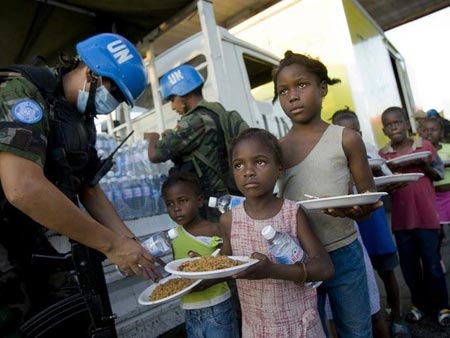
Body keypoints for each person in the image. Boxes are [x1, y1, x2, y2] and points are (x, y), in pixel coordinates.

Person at [0, 33, 162, 337]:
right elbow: (22, 187)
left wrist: (130, 243)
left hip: (21, 233)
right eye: (113, 94)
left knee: (73, 313)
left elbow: (89, 188)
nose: (112, 105)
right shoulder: (22, 93)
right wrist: (112, 245)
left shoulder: (81, 120)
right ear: (92, 73)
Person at [273, 51, 382, 338]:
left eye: (301, 85)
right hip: (298, 257)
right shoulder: (276, 150)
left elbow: (369, 195)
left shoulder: (346, 138)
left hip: (344, 249)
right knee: (311, 329)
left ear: (322, 88)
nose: (293, 96)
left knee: (357, 329)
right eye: (283, 91)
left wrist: (359, 210)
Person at [217, 127, 334, 337]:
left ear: (279, 168)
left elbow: (324, 268)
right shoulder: (229, 220)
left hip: (300, 326)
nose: (248, 171)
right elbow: (223, 268)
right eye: (239, 165)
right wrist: (197, 269)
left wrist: (272, 270)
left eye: (259, 162)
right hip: (257, 329)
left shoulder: (292, 212)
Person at [331, 107, 410, 338]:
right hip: (351, 232)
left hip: (375, 229)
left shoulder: (372, 158)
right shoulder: (334, 165)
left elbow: (389, 180)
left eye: (355, 131)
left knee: (387, 273)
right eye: (344, 132)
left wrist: (384, 186)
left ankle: (397, 318)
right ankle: (371, 320)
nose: (351, 137)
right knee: (361, 281)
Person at [145, 64, 249, 222]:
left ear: (182, 93)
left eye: (173, 99)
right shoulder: (215, 111)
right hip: (231, 194)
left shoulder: (195, 120)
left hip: (212, 204)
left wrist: (152, 137)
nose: (173, 106)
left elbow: (155, 154)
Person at [378, 106, 450, 327]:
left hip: (427, 219)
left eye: (397, 122)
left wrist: (424, 166)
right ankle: (419, 305)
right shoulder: (384, 155)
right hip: (401, 222)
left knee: (432, 266)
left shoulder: (424, 147)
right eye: (389, 125)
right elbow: (382, 188)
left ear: (406, 124)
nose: (394, 127)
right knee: (409, 268)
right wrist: (388, 183)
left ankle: (441, 307)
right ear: (384, 130)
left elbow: (438, 173)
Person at [161, 171, 239, 338]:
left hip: (217, 307)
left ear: (199, 200)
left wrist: (205, 267)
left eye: (182, 201)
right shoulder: (173, 236)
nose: (176, 209)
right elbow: (178, 269)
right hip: (190, 309)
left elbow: (229, 261)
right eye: (170, 204)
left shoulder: (214, 229)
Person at [420, 116, 450, 269]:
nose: (429, 133)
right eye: (425, 130)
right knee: (436, 232)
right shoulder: (420, 152)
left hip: (449, 194)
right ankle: (438, 260)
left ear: (441, 132)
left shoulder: (447, 148)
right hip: (433, 196)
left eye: (433, 130)